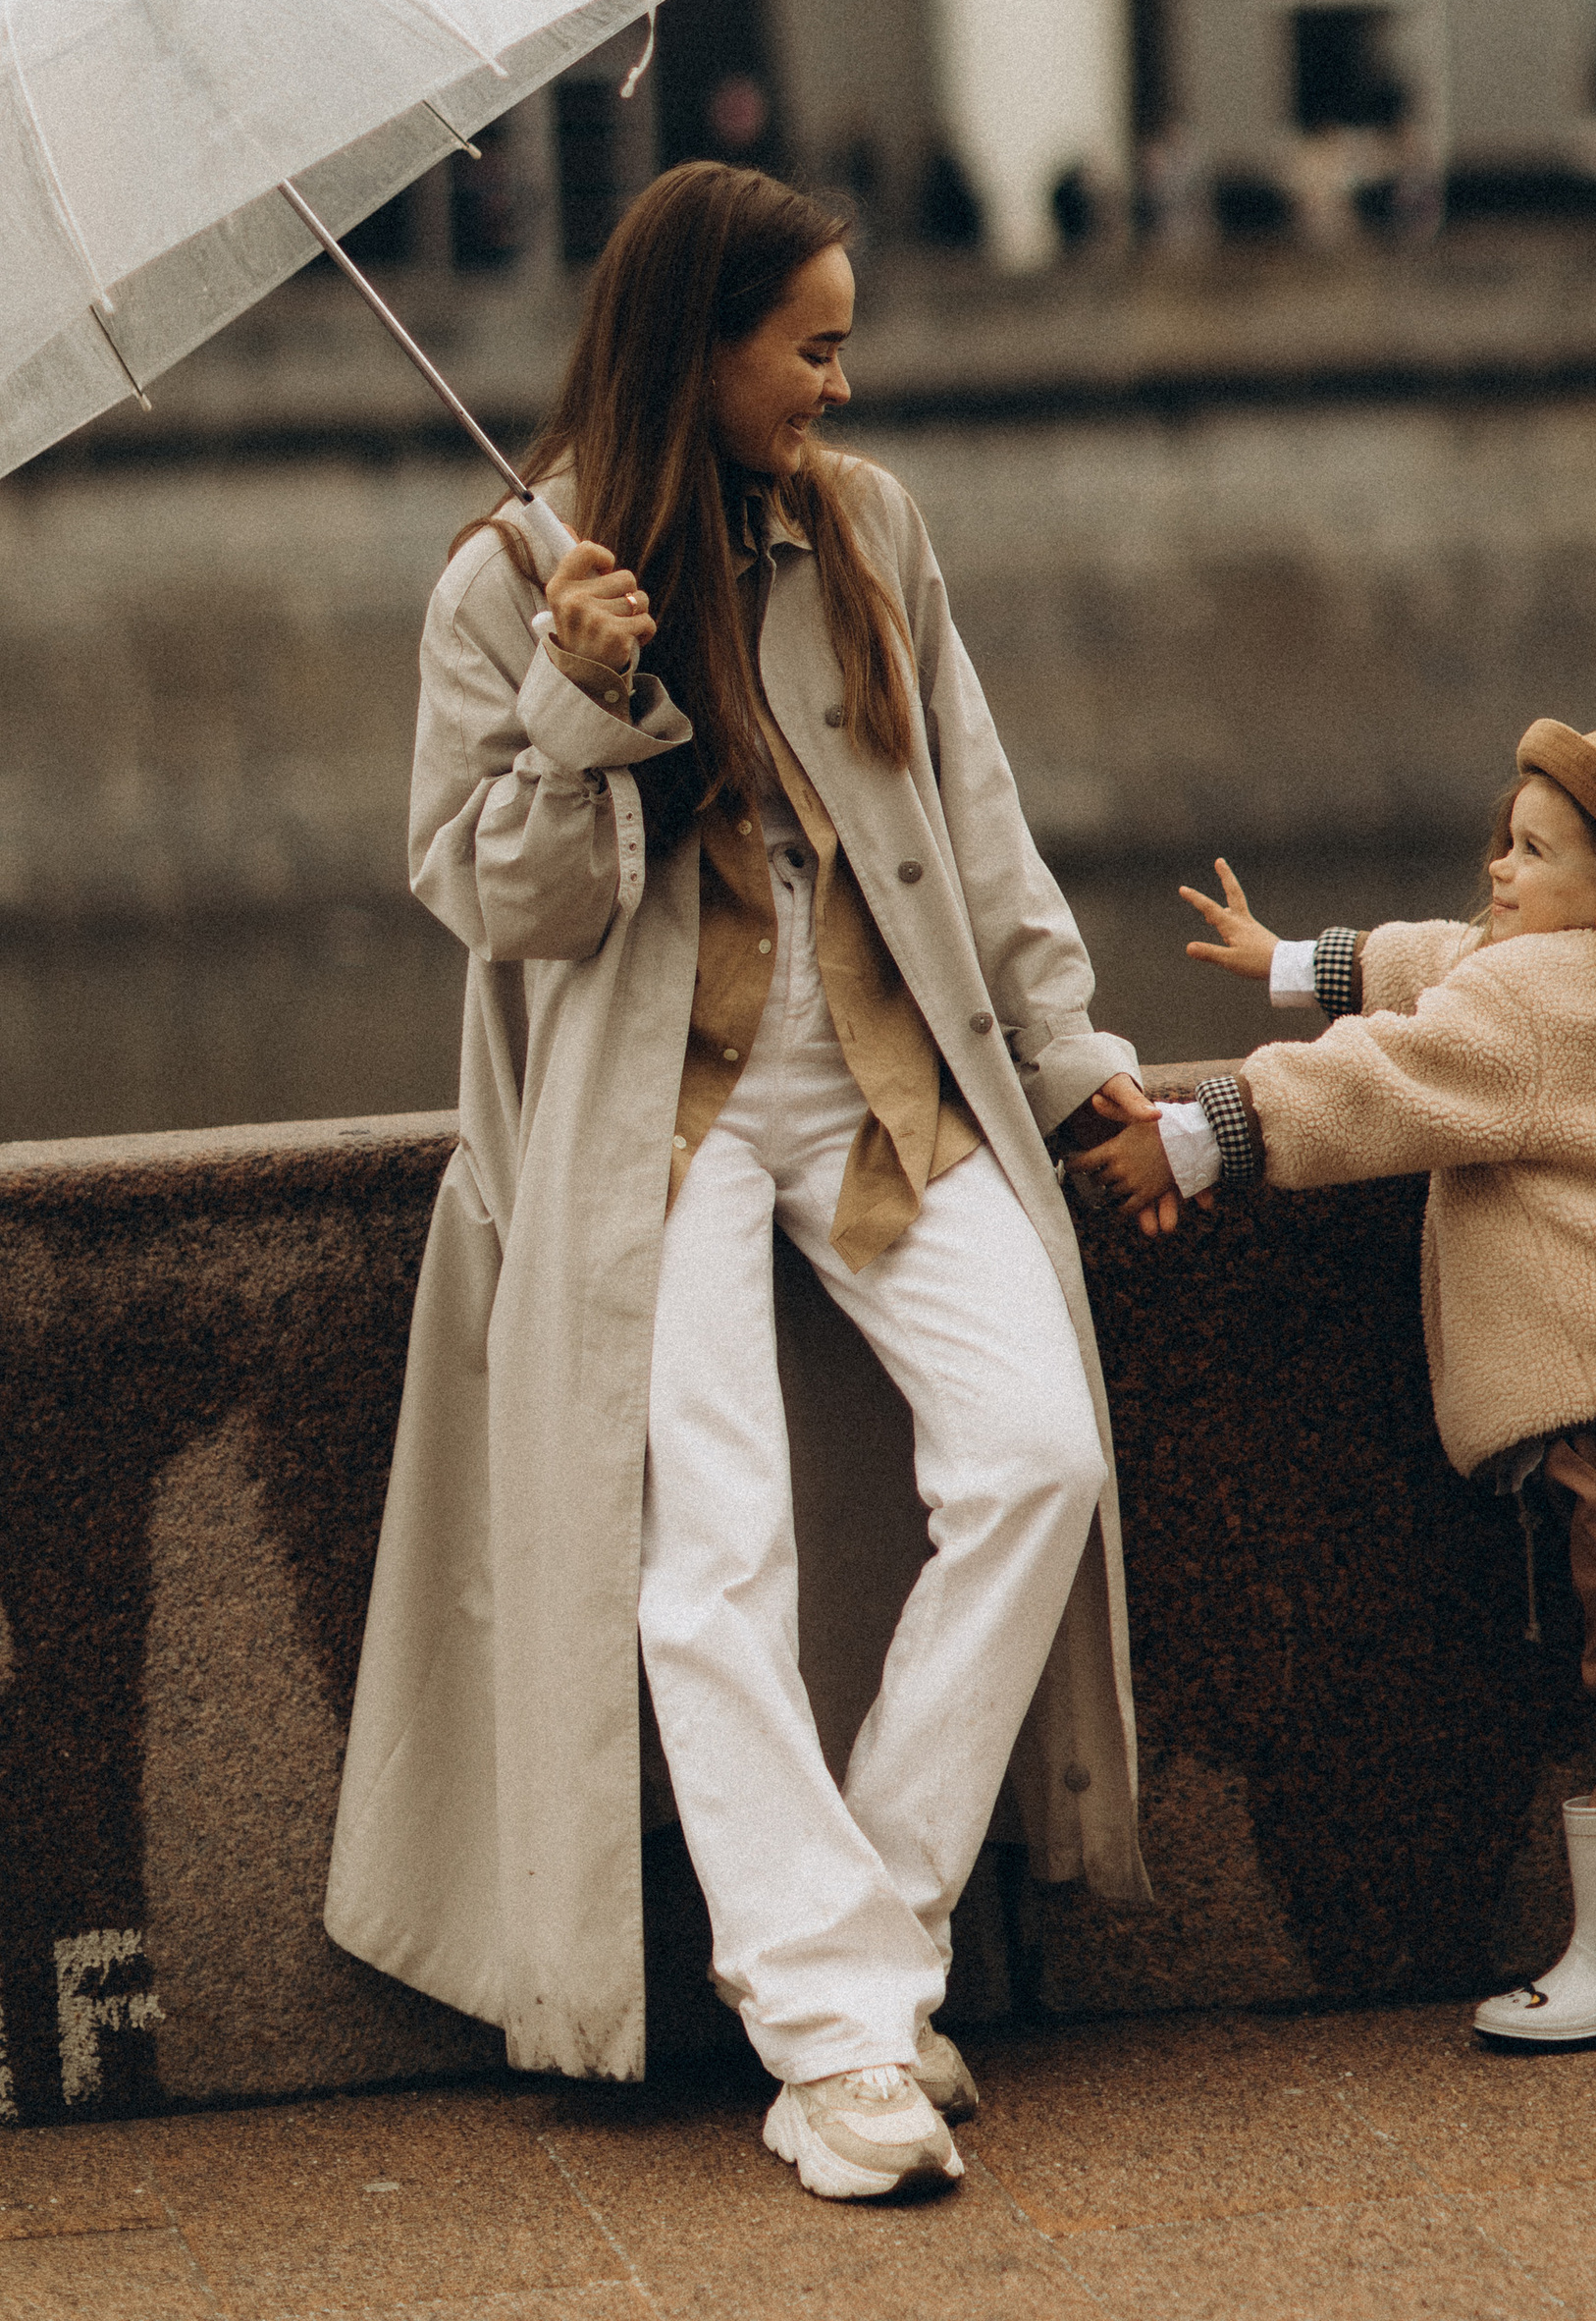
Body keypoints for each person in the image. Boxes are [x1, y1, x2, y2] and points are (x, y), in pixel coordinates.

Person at [327, 165, 1150, 2205]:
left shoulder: (868, 529)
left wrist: (1076, 1067)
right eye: (810, 346)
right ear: (697, 349)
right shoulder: (506, 584)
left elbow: (976, 822)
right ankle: (840, 2039)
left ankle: (857, 1950)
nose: (839, 382)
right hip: (653, 1127)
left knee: (1038, 1454)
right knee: (714, 1554)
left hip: (887, 1082)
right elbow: (493, 906)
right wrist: (579, 702)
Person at [1081, 720, 1596, 2053]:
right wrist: (1293, 963)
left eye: (1533, 851)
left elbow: (1389, 1081)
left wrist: (1201, 1135)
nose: (1498, 869)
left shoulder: (1526, 1008)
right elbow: (1446, 966)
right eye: (1502, 840)